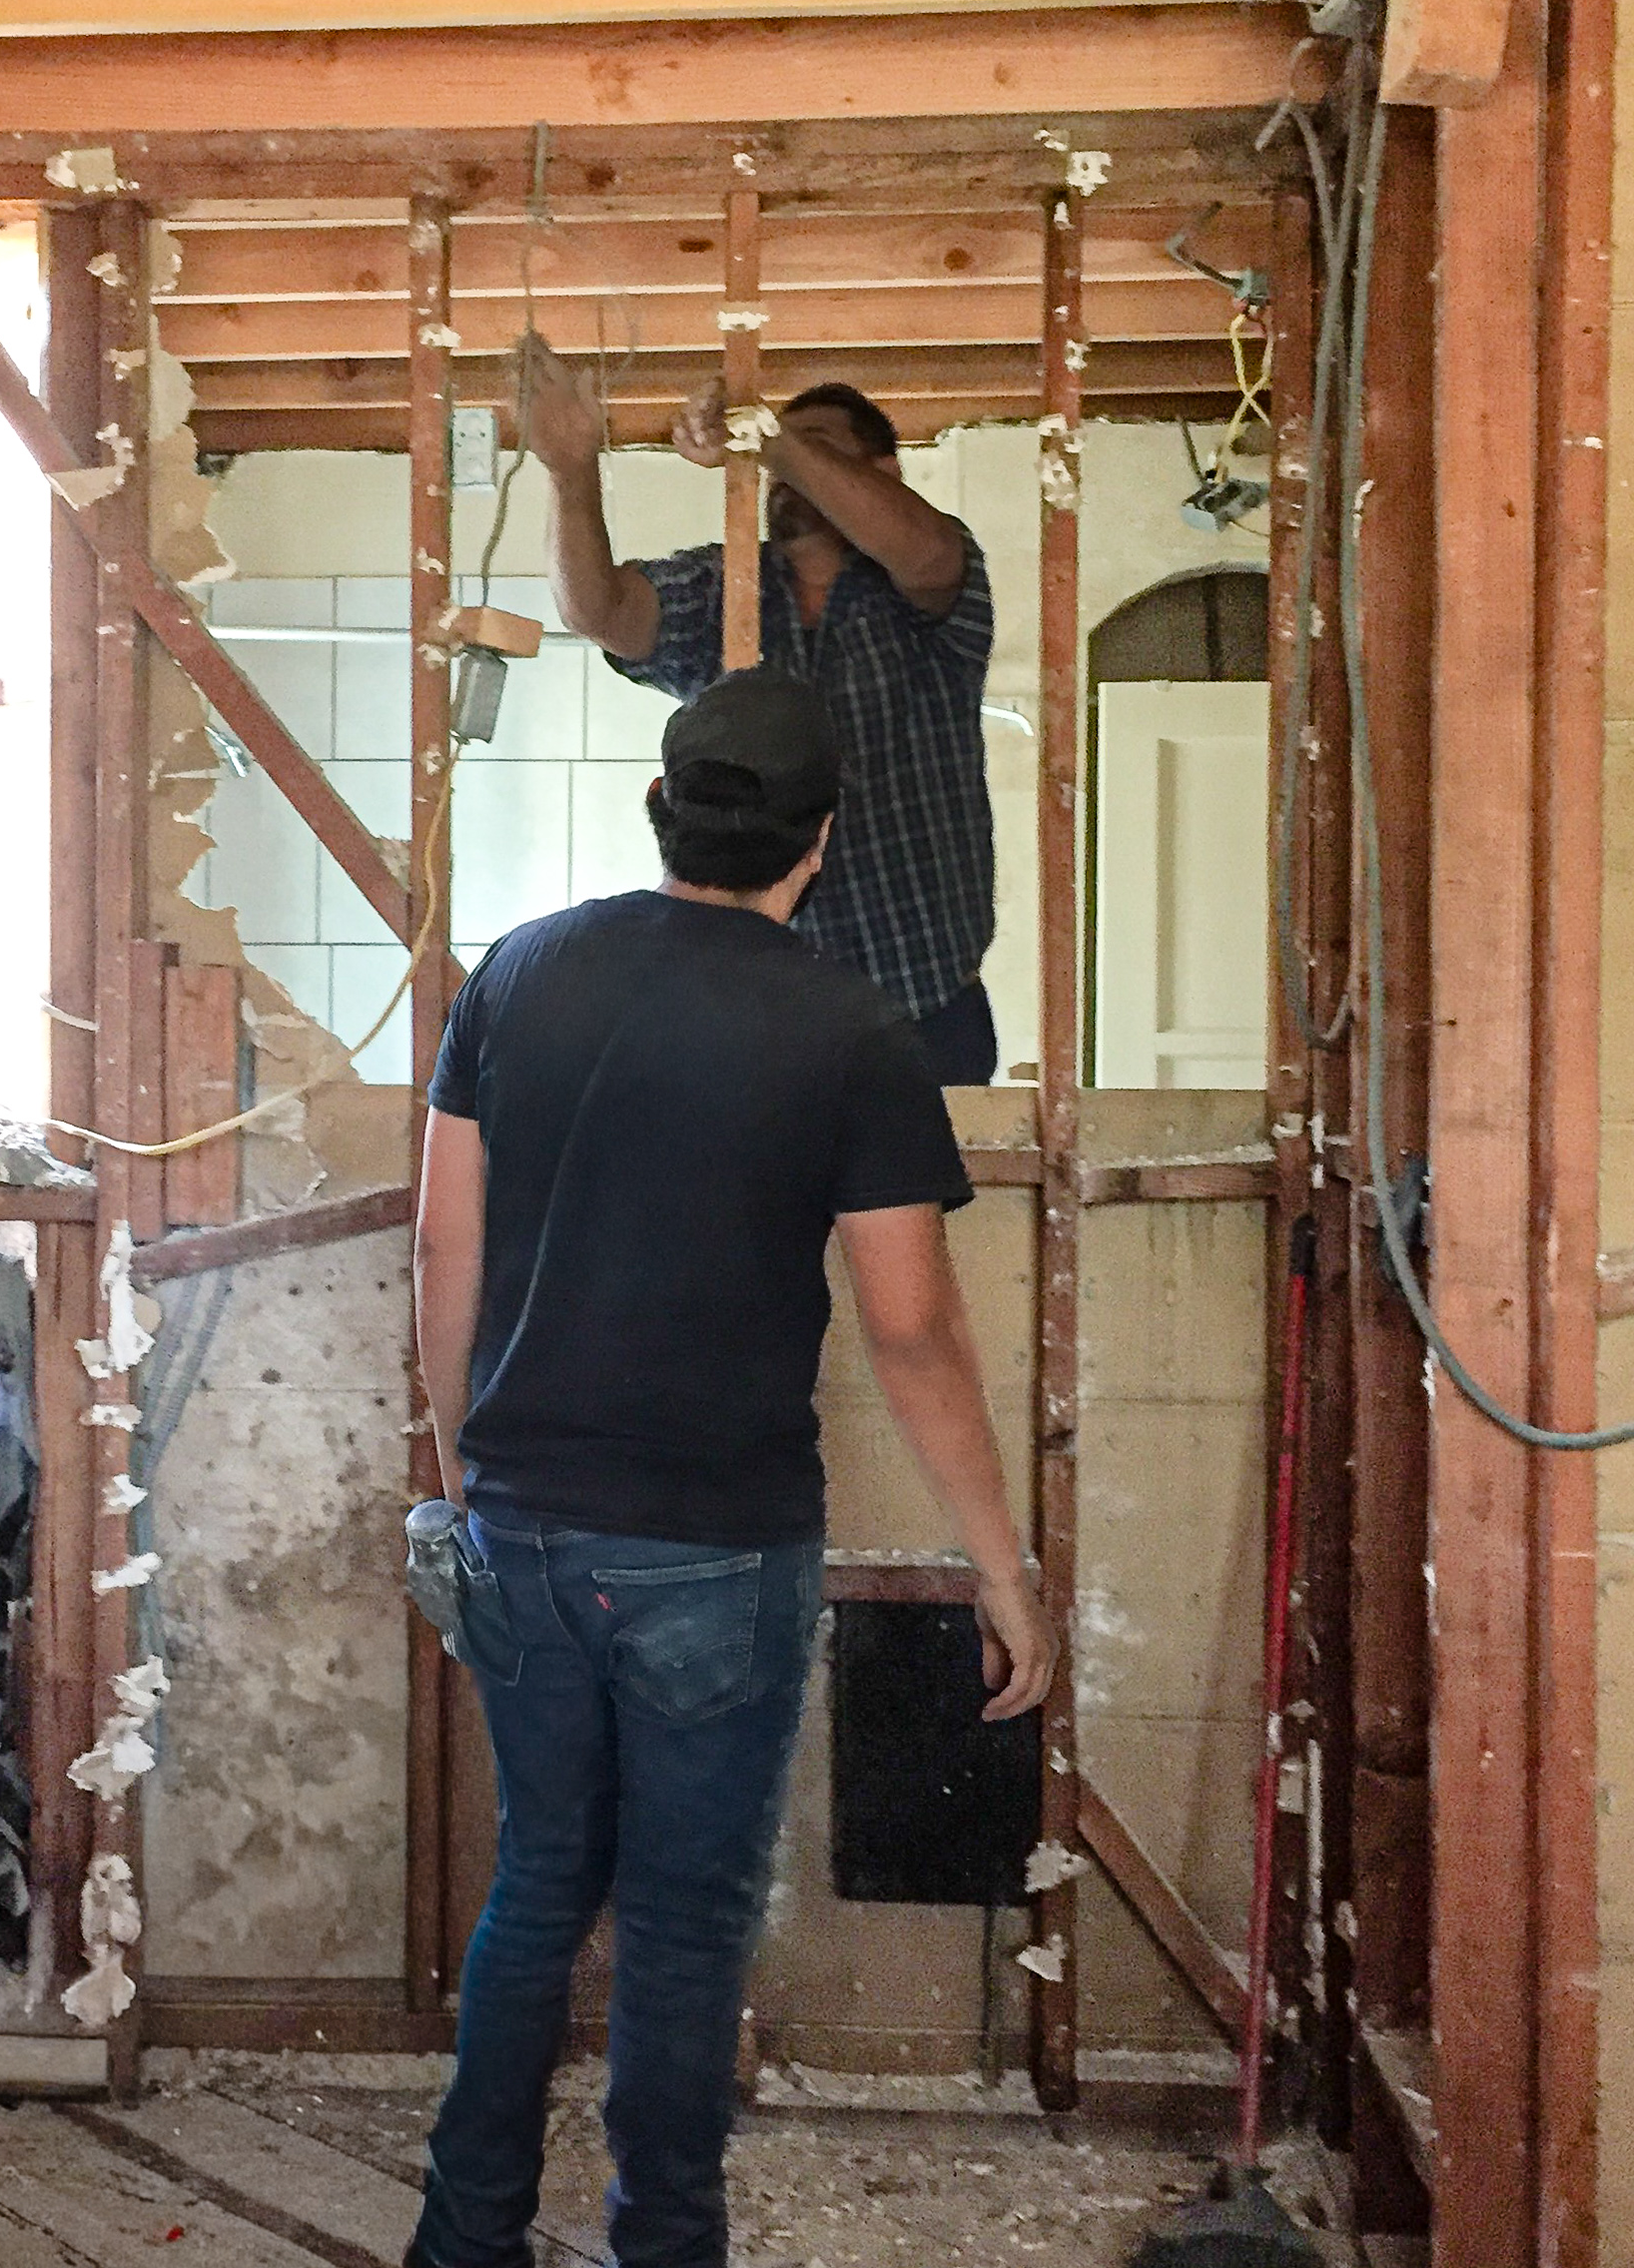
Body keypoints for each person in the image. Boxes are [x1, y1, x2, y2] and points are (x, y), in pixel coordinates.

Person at [405, 666, 1057, 2268]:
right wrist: (1000, 1561)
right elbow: (911, 1332)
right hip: (718, 1547)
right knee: (687, 1927)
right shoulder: (852, 1033)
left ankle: (465, 2237)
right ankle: (664, 2246)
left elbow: (441, 1243)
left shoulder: (519, 974)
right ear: (819, 843)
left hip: (529, 1529)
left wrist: (462, 1474)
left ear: (660, 808)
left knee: (541, 1883)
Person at [521, 335, 1003, 1085]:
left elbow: (926, 551)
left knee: (921, 1206)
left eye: (817, 448)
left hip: (923, 1009)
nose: (777, 469)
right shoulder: (726, 586)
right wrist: (571, 468)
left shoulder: (929, 587)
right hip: (754, 1016)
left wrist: (769, 434)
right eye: (770, 456)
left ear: (883, 471)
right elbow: (601, 610)